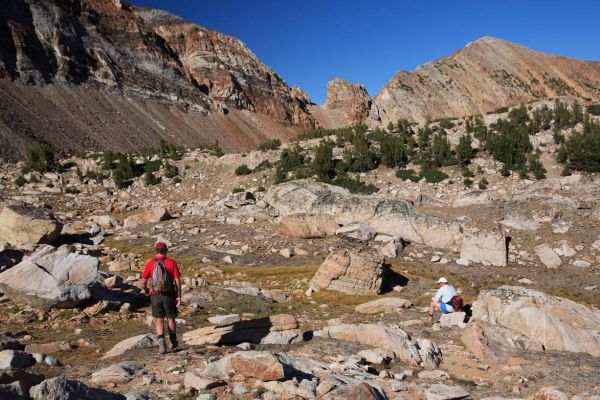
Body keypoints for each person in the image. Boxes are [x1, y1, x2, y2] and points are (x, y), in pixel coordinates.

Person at [141, 242, 182, 354]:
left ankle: (161, 345)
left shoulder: (150, 264)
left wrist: (145, 289)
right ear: (166, 250)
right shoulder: (171, 263)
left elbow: (144, 280)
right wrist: (179, 296)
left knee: (158, 319)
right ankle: (173, 343)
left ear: (155, 251)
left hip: (155, 296)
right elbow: (177, 281)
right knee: (171, 318)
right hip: (169, 295)